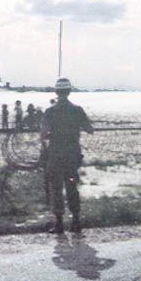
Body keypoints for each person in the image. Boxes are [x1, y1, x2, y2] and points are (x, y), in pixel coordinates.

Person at [41, 77, 93, 233]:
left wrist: (54, 134)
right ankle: (76, 221)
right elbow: (89, 129)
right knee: (72, 186)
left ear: (56, 92)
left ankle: (59, 224)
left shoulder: (50, 111)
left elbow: (43, 135)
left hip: (56, 154)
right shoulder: (77, 110)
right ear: (69, 91)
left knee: (56, 188)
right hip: (72, 154)